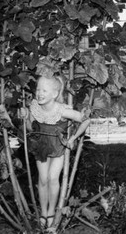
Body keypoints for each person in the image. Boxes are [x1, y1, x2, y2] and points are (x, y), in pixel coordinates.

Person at [20, 75, 90, 232]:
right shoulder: (35, 106)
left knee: (52, 178)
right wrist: (26, 119)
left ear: (54, 93)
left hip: (58, 147)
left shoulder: (61, 110)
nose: (39, 93)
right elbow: (32, 128)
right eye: (38, 89)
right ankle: (43, 214)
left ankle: (51, 213)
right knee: (43, 179)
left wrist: (73, 138)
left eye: (44, 90)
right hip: (41, 146)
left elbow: (85, 120)